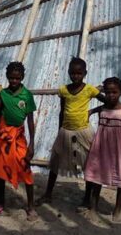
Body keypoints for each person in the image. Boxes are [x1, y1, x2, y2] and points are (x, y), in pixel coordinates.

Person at [36, 57, 103, 208]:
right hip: (65, 131)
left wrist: (93, 111)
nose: (75, 76)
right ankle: (48, 194)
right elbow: (62, 111)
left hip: (83, 131)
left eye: (79, 73)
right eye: (72, 73)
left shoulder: (89, 89)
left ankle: (86, 198)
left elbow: (106, 101)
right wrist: (60, 129)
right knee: (55, 162)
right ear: (68, 73)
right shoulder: (64, 90)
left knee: (89, 164)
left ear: (85, 73)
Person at [0, 61, 38, 221]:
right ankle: (0, 202)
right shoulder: (3, 94)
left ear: (22, 77)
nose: (14, 81)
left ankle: (30, 206)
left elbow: (30, 121)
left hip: (19, 138)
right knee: (1, 171)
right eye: (11, 78)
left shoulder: (27, 95)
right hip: (3, 136)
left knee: (26, 168)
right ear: (7, 77)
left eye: (17, 78)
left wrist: (31, 144)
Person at [83, 77, 121, 222]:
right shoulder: (103, 109)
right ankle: (93, 208)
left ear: (120, 92)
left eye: (114, 92)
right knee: (97, 178)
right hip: (101, 148)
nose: (111, 95)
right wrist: (91, 111)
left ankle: (117, 210)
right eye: (108, 92)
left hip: (118, 150)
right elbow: (101, 108)